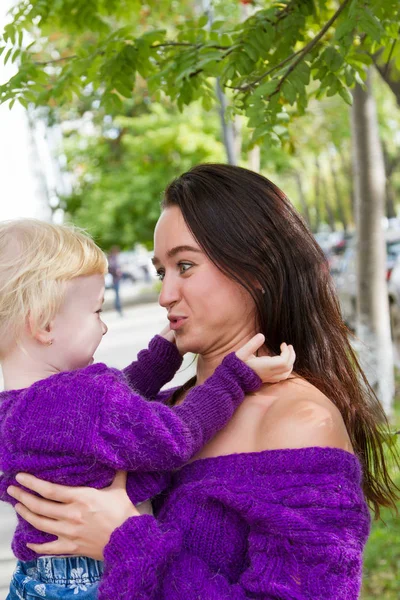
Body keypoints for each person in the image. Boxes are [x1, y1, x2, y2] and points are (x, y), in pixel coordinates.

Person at [7, 165, 400, 600]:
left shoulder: (299, 420)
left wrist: (126, 541)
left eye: (186, 265)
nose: (165, 294)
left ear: (255, 269)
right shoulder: (169, 408)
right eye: (161, 272)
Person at [0, 218, 295, 600]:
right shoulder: (86, 399)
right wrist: (233, 379)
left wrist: (161, 357)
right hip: (94, 581)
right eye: (96, 311)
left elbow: (110, 419)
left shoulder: (15, 412)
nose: (104, 327)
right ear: (42, 324)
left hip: (34, 581)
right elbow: (173, 436)